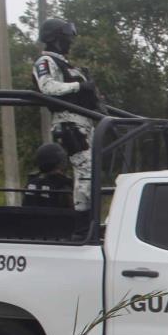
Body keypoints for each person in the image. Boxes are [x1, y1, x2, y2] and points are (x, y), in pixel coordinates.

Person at [32, 18, 104, 218]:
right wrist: (79, 86)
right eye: (67, 37)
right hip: (69, 122)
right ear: (55, 39)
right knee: (85, 169)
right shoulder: (45, 61)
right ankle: (84, 219)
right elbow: (47, 87)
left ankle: (88, 215)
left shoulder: (69, 66)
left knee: (91, 169)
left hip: (85, 122)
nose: (71, 42)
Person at [22, 142, 74, 208]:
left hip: (27, 218)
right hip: (56, 218)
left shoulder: (31, 181)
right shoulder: (64, 184)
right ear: (60, 161)